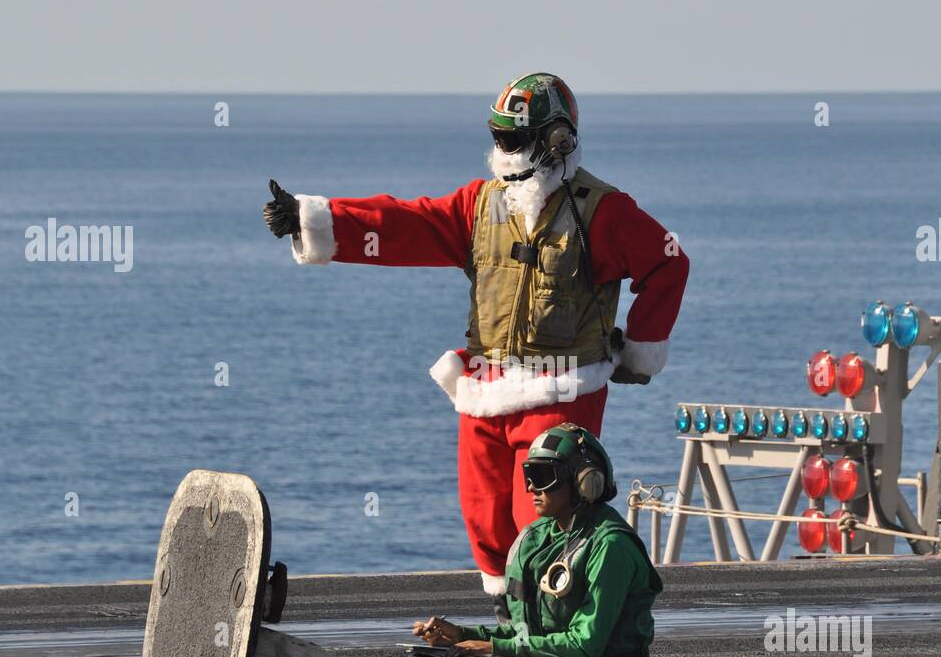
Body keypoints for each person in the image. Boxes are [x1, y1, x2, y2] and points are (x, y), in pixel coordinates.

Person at [263, 72, 688, 620]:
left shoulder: (603, 211)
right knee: (485, 516)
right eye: (499, 137)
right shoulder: (480, 206)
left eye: (513, 139)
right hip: (486, 389)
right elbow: (405, 223)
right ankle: (513, 622)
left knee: (541, 515)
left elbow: (668, 260)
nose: (503, 152)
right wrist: (313, 217)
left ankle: (555, 627)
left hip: (563, 390)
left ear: (556, 140)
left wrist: (639, 350)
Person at [395, 424, 662, 657]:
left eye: (544, 476)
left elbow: (585, 647)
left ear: (584, 482)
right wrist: (461, 634)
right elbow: (524, 632)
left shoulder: (610, 546)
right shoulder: (538, 539)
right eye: (529, 475)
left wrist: (493, 649)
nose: (532, 488)